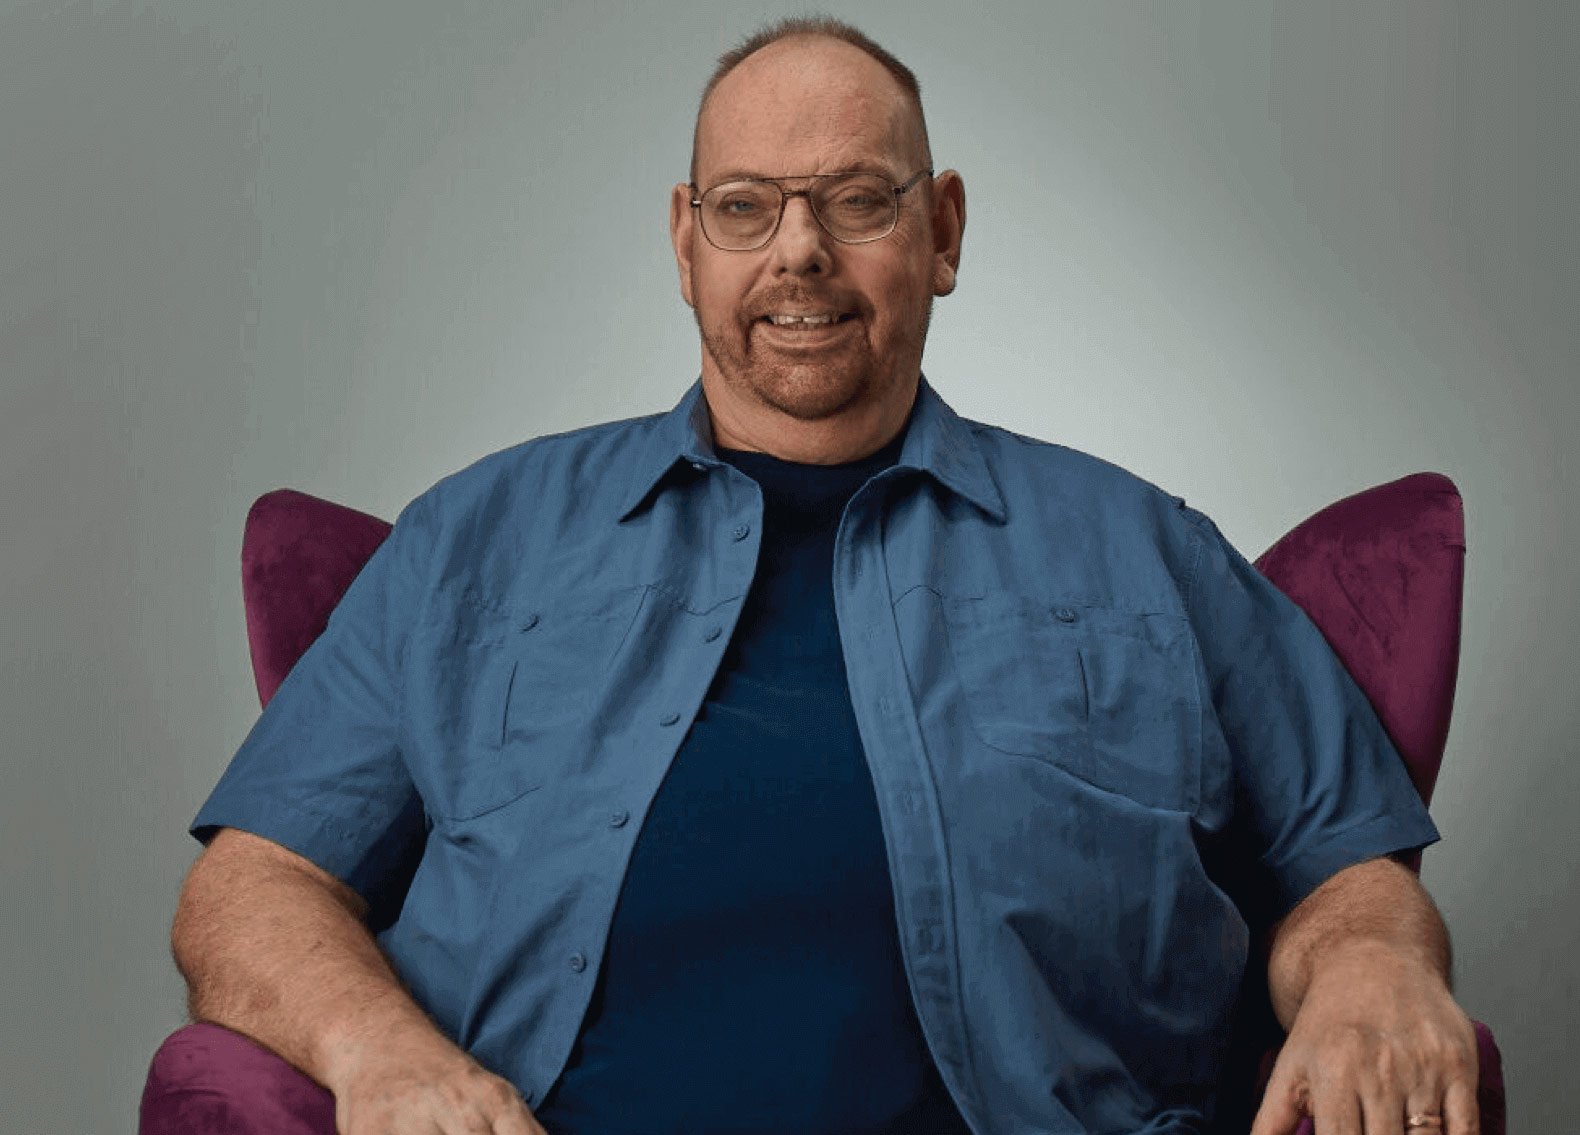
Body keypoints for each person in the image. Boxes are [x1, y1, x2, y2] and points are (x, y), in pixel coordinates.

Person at [170, 17, 1481, 1135]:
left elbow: (1348, 862)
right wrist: (384, 1058)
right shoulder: (474, 540)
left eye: (858, 200)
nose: (798, 252)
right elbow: (251, 887)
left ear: (943, 232)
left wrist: (1373, 968)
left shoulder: (1145, 551)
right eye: (746, 206)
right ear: (686, 241)